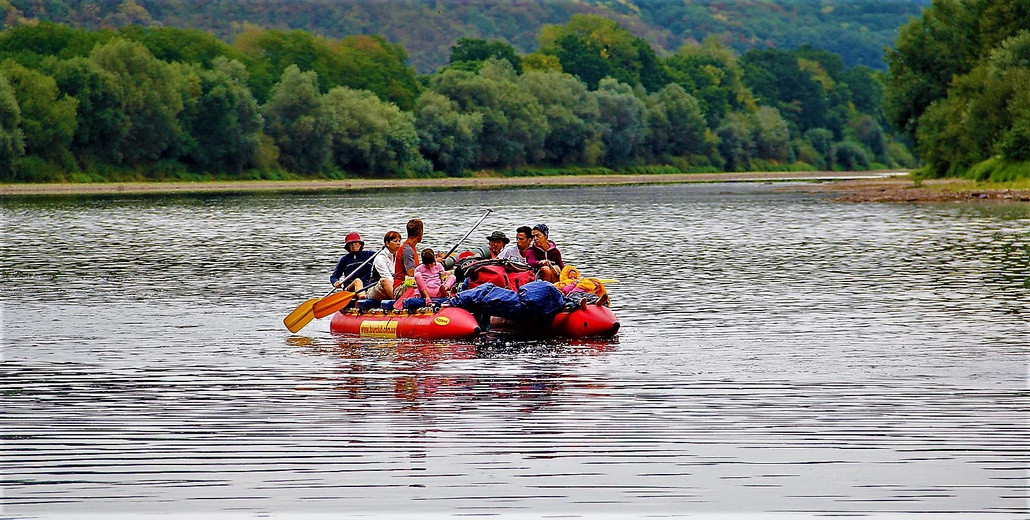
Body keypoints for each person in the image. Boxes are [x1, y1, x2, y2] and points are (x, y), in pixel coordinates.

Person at [394, 218, 438, 298]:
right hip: (401, 287)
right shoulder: (407, 250)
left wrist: (431, 262)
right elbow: (411, 273)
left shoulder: (411, 248)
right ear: (420, 233)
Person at [365, 230, 402, 300]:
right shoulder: (380, 258)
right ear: (387, 243)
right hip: (376, 289)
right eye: (395, 241)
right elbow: (387, 277)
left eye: (399, 241)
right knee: (385, 281)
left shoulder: (399, 256)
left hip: (393, 287)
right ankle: (398, 302)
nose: (398, 243)